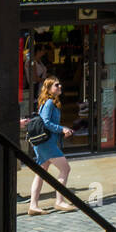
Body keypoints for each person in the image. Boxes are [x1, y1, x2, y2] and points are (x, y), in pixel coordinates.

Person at [27, 76, 77, 214]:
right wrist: (62, 129)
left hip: (44, 143)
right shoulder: (49, 102)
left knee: (41, 173)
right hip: (47, 144)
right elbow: (46, 122)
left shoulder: (48, 102)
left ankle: (33, 205)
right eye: (56, 85)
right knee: (65, 169)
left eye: (60, 85)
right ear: (48, 89)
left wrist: (62, 131)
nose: (60, 87)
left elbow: (48, 123)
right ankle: (59, 201)